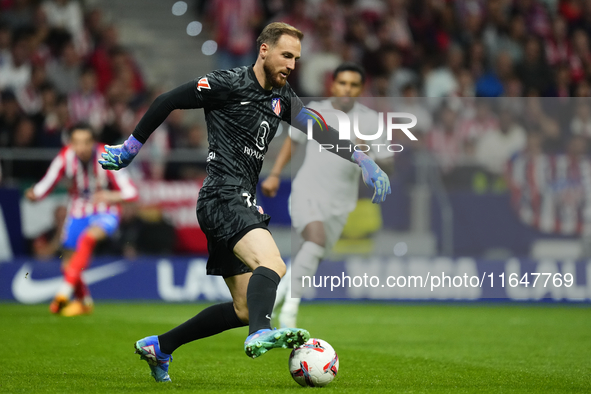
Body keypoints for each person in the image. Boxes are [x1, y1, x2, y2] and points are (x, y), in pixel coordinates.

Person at [98, 22, 390, 383]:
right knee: (273, 263)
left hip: (233, 200)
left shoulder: (283, 99)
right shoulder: (228, 83)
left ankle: (160, 346)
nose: (291, 65)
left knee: (243, 308)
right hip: (224, 194)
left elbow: (321, 131)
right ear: (264, 51)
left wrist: (363, 159)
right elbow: (167, 100)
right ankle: (260, 333)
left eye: (296, 59)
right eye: (286, 55)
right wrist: (130, 148)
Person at [261, 62, 393, 328]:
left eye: (353, 84)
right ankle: (290, 312)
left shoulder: (370, 120)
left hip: (342, 204)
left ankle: (274, 300)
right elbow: (292, 142)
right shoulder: (314, 112)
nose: (347, 89)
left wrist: (371, 154)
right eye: (342, 83)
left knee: (312, 252)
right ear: (333, 84)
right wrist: (274, 174)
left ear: (360, 89)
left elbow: (388, 162)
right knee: (316, 240)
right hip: (306, 192)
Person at [25, 123, 138, 316]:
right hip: (77, 212)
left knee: (88, 238)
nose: (82, 147)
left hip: (106, 211)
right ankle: (84, 301)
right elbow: (46, 183)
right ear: (70, 143)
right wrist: (34, 194)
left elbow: (131, 192)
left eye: (86, 142)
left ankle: (63, 293)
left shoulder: (107, 155)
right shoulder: (65, 157)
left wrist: (111, 196)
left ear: (93, 142)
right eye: (77, 142)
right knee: (67, 264)